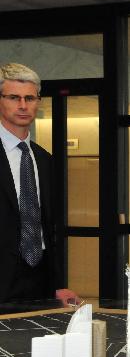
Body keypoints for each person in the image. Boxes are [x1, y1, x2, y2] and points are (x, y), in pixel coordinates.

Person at [0, 63, 79, 307]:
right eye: (14, 97)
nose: (23, 105)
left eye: (30, 98)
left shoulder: (45, 160)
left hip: (39, 281)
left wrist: (57, 284)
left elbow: (49, 227)